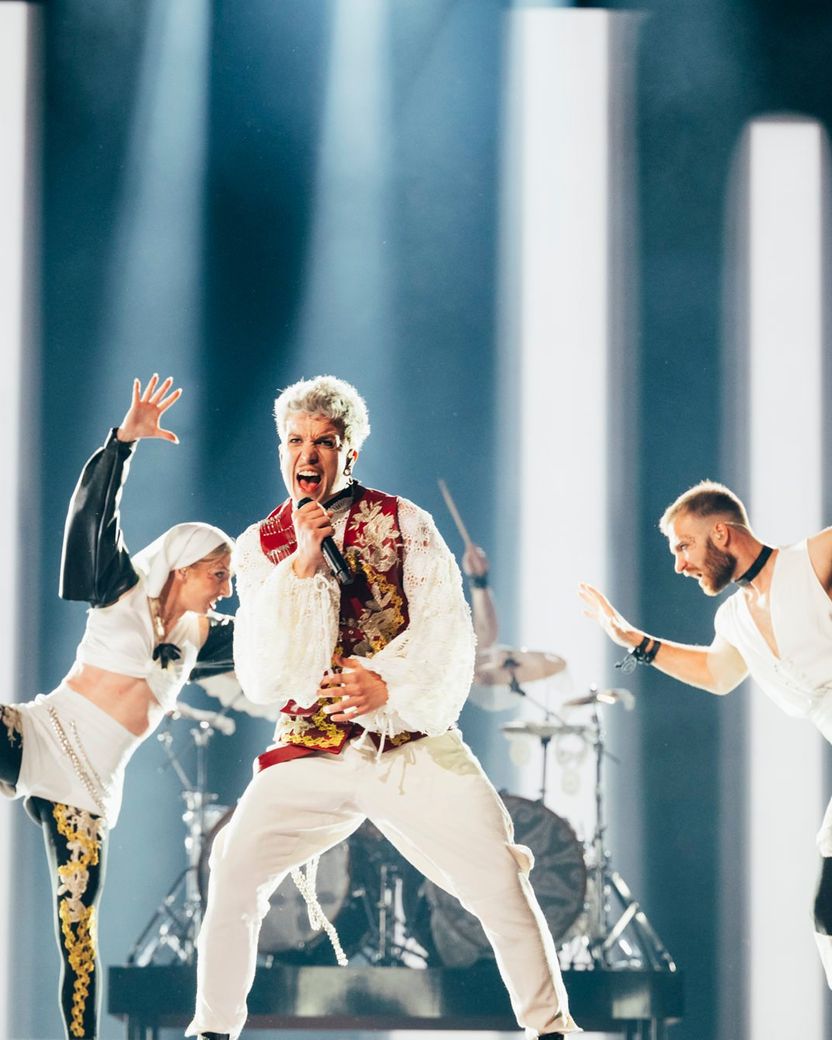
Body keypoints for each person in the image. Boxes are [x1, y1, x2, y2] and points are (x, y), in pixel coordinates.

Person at [187, 375, 577, 1040]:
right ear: (281, 449)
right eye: (296, 441)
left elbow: (447, 631)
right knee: (234, 866)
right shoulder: (261, 545)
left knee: (498, 877)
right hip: (312, 748)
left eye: (325, 442)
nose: (308, 455)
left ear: (350, 453)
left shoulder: (405, 522)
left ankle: (552, 1029)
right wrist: (303, 564)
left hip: (409, 747)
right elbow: (265, 667)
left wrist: (387, 684)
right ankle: (212, 1030)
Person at [0, 375, 236, 1040]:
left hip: (88, 790)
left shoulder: (203, 639)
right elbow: (92, 518)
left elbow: (277, 641)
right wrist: (123, 444)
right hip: (37, 735)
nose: (225, 590)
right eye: (219, 576)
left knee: (77, 933)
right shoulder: (121, 587)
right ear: (186, 568)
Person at [578, 479, 832, 984]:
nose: (679, 565)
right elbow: (717, 675)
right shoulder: (734, 618)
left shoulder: (810, 560)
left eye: (683, 546)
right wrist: (634, 641)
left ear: (721, 533)